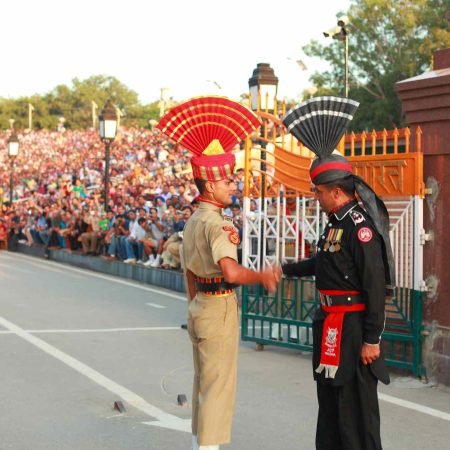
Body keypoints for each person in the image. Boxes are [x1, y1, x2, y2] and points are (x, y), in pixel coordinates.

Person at [157, 96, 281, 450]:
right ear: (210, 185)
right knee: (218, 387)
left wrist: (195, 306)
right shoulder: (219, 223)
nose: (232, 186)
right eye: (227, 181)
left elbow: (189, 273)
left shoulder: (194, 219)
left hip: (199, 307)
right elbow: (229, 269)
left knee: (202, 383)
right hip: (219, 305)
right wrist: (262, 276)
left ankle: (200, 444)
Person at [281, 96, 395, 450]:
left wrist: (372, 339)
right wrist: (284, 269)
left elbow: (375, 284)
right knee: (331, 406)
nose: (314, 196)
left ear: (334, 191)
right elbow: (323, 263)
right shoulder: (335, 224)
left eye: (317, 191)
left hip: (354, 328)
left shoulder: (359, 227)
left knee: (357, 412)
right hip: (331, 324)